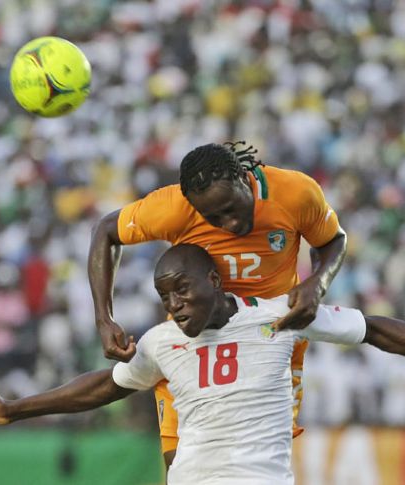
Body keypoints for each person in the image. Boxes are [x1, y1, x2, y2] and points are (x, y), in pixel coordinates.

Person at [0, 244, 405, 485]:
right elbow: (102, 387)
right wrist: (14, 409)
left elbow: (374, 329)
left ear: (215, 281)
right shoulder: (162, 341)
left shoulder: (280, 316)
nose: (174, 304)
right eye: (165, 298)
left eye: (182, 290)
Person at [88, 141, 347, 466]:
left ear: (243, 178)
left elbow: (333, 240)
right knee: (181, 464)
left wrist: (317, 284)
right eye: (213, 217)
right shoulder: (173, 207)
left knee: (260, 460)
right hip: (192, 343)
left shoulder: (294, 192)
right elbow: (105, 231)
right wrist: (104, 317)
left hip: (271, 343)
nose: (229, 224)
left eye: (231, 207)